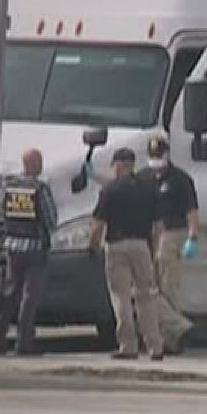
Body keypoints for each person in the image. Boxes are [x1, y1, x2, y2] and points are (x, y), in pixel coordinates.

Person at [90, 148, 166, 361]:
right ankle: (155, 345)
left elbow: (98, 225)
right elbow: (158, 225)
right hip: (141, 245)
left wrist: (93, 246)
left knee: (121, 296)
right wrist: (154, 248)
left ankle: (128, 346)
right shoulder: (148, 188)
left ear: (119, 165)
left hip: (116, 246)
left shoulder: (110, 190)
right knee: (146, 296)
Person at [0, 148, 57, 356]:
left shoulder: (8, 187)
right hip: (35, 248)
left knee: (10, 294)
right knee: (30, 297)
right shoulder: (40, 188)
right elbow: (50, 219)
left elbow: (0, 212)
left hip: (12, 246)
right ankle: (24, 343)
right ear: (36, 165)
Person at [143, 134, 199, 354]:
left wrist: (193, 237)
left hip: (173, 234)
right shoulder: (145, 176)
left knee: (169, 287)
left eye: (159, 155)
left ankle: (172, 338)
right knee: (151, 288)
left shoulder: (180, 179)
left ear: (167, 154)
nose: (156, 160)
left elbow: (191, 211)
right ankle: (175, 328)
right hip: (150, 235)